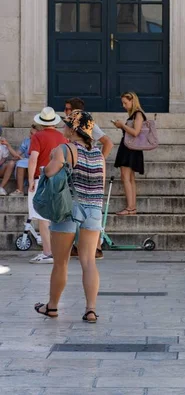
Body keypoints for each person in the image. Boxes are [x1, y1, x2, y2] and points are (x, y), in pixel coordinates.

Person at [33, 110, 105, 322]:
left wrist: (55, 155)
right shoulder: (98, 154)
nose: (63, 128)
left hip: (68, 209)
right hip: (93, 210)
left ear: (74, 129)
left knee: (61, 262)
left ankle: (52, 306)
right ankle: (91, 309)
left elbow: (48, 172)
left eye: (66, 125)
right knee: (89, 261)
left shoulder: (65, 149)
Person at [65, 97, 113, 260]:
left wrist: (97, 163)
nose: (65, 112)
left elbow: (108, 143)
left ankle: (95, 247)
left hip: (85, 180)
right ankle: (81, 247)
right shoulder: (71, 128)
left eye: (67, 109)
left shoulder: (87, 124)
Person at [28, 107, 69, 264]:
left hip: (43, 179)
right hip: (59, 180)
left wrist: (31, 180)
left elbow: (33, 159)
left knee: (42, 217)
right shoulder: (62, 137)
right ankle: (58, 251)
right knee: (56, 216)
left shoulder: (38, 137)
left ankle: (47, 252)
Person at [112, 92, 145, 216]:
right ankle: (132, 207)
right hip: (129, 148)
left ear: (132, 101)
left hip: (130, 149)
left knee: (126, 177)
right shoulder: (134, 115)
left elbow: (135, 132)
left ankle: (130, 207)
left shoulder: (138, 114)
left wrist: (122, 126)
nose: (124, 105)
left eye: (125, 103)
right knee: (129, 178)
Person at [12, 125, 39, 196]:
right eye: (30, 133)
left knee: (22, 162)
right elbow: (17, 154)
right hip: (27, 164)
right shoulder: (27, 141)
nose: (29, 135)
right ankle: (20, 190)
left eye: (32, 134)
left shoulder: (41, 140)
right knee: (20, 163)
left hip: (38, 163)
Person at [0, 126, 18, 196]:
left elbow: (4, 159)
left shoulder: (2, 144)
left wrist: (7, 145)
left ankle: (1, 187)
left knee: (11, 163)